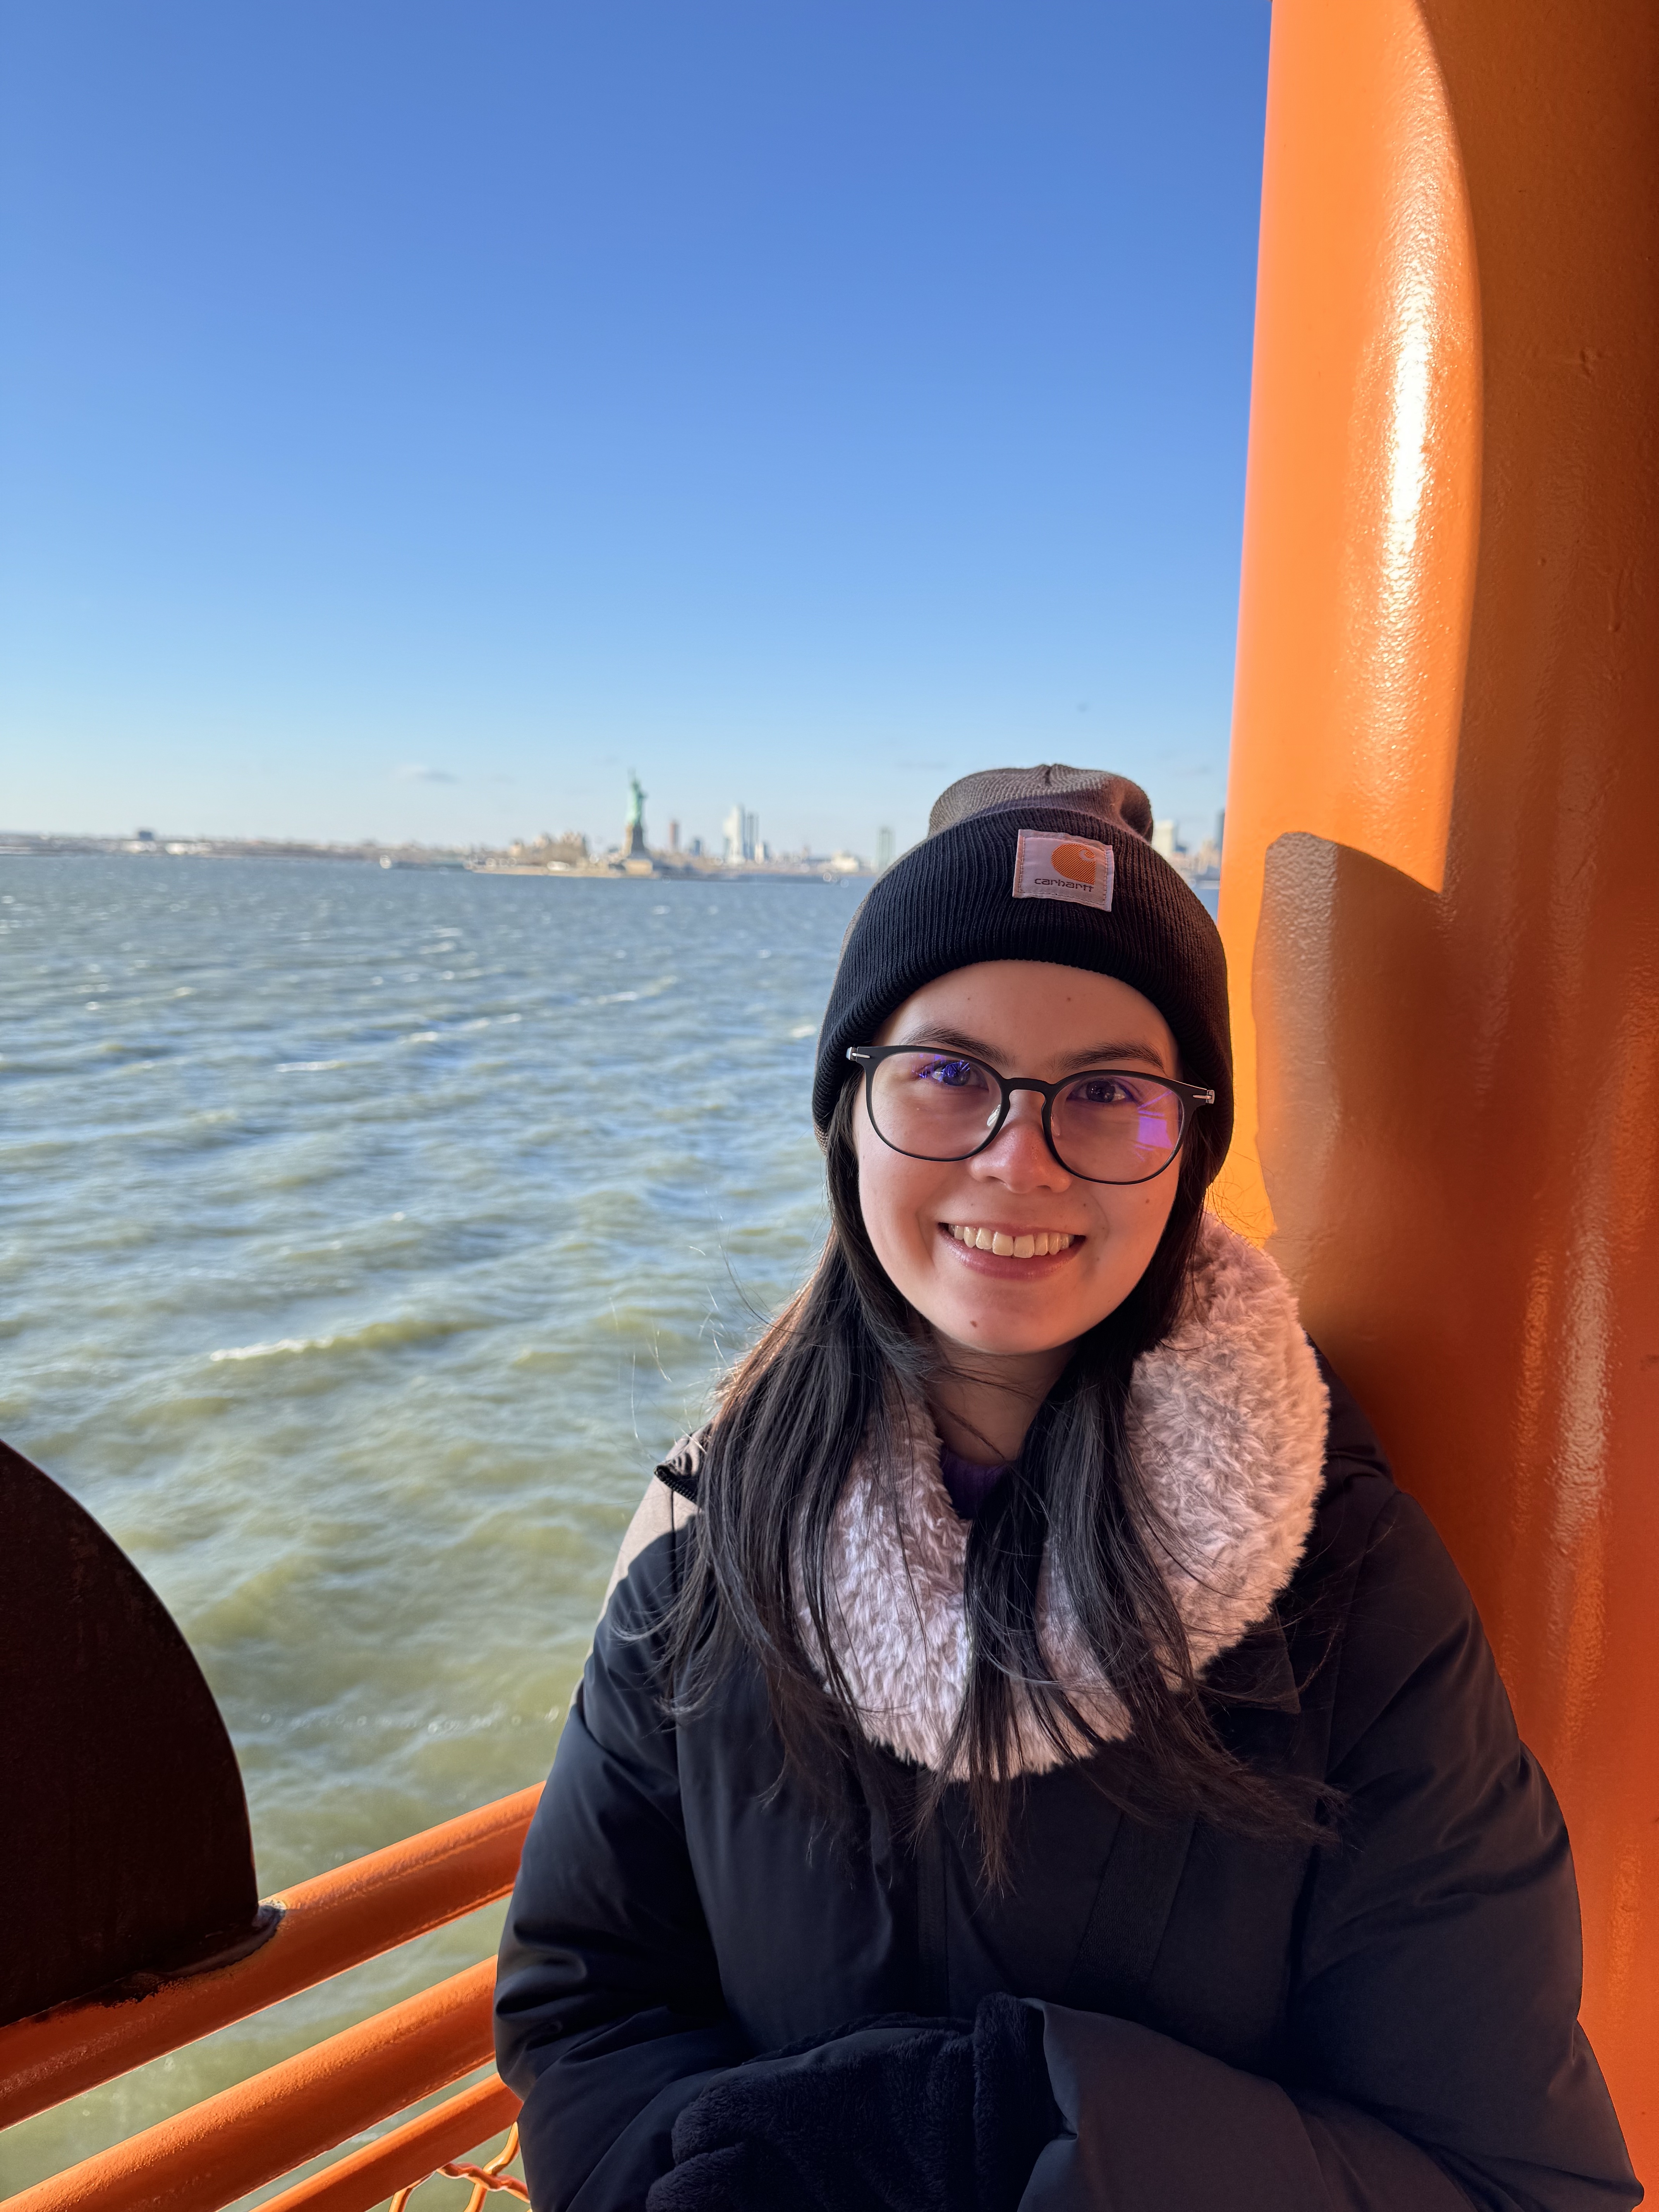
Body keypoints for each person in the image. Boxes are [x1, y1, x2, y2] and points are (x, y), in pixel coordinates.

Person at [495, 766, 1641, 2212]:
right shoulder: (713, 1539)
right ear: (849, 1112)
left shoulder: (1349, 1588)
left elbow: (1521, 2186)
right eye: (947, 1075)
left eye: (1105, 1093)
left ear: (1187, 1153)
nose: (1014, 1158)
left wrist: (1042, 2123)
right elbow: (583, 2003)